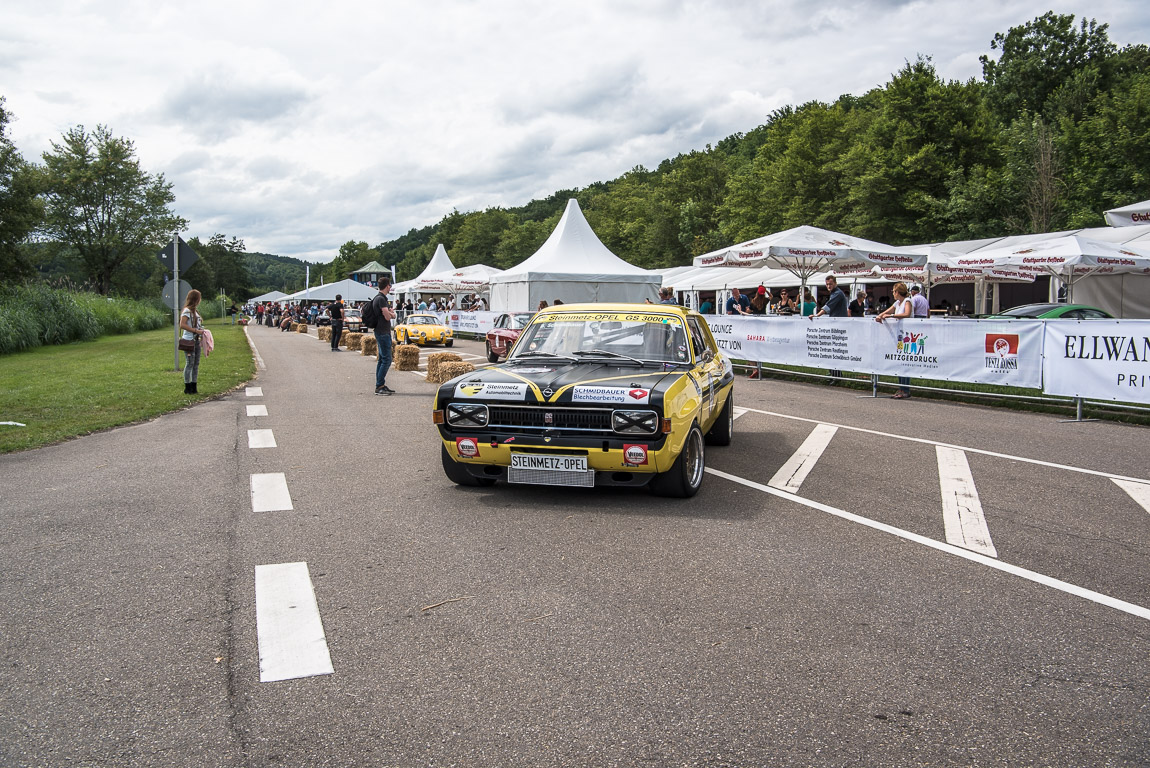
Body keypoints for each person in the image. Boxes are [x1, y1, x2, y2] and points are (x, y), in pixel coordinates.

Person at [875, 282, 913, 398]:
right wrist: (880, 316)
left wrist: (891, 316)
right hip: (899, 336)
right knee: (900, 362)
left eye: (893, 291)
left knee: (905, 361)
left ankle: (905, 389)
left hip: (907, 336)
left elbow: (907, 314)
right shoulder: (897, 303)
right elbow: (887, 311)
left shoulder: (907, 301)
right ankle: (901, 388)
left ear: (897, 292)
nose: (893, 294)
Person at [372, 278, 398, 395]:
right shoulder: (381, 299)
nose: (390, 287)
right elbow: (387, 317)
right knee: (387, 359)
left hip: (380, 331)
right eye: (389, 286)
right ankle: (379, 386)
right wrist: (393, 314)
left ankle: (380, 384)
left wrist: (389, 312)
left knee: (382, 359)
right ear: (387, 286)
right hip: (383, 332)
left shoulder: (377, 298)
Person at [179, 289, 206, 395]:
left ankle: (194, 386)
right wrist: (195, 330)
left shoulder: (195, 312)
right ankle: (187, 386)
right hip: (189, 340)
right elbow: (182, 324)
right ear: (196, 299)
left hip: (196, 340)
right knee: (189, 363)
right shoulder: (187, 311)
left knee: (196, 364)